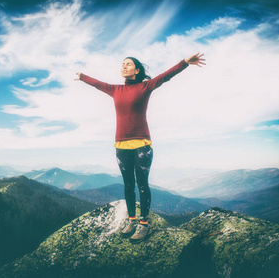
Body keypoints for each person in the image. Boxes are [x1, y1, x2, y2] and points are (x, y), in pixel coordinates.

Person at [75, 53, 205, 243]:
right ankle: (131, 220)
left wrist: (185, 62)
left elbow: (165, 76)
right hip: (121, 145)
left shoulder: (145, 86)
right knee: (128, 185)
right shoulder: (115, 89)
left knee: (142, 184)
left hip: (142, 144)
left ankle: (144, 224)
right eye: (122, 64)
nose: (124, 66)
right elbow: (97, 84)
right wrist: (82, 76)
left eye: (128, 64)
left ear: (136, 70)